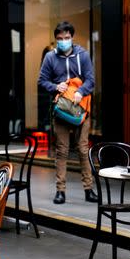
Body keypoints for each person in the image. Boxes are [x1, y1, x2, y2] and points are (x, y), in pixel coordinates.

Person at [37, 21, 98, 205]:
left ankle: (89, 189)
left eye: (67, 38)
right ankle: (60, 190)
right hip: (61, 111)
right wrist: (55, 86)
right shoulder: (50, 57)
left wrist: (81, 91)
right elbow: (41, 81)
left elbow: (91, 80)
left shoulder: (83, 56)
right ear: (56, 40)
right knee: (61, 151)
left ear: (72, 37)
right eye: (60, 39)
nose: (63, 41)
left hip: (81, 110)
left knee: (82, 149)